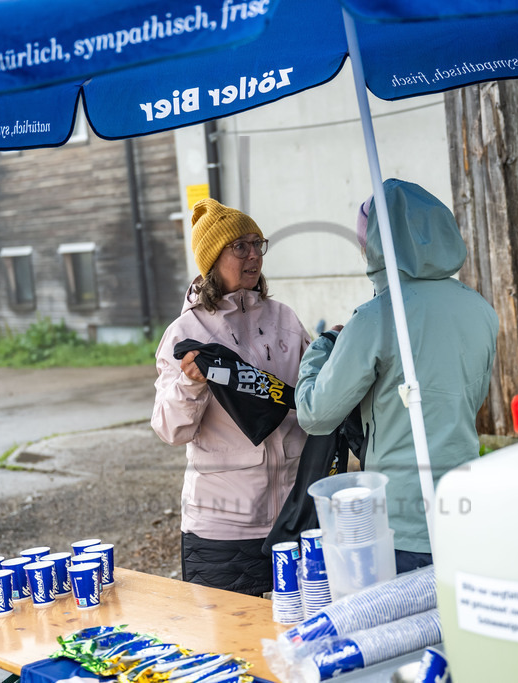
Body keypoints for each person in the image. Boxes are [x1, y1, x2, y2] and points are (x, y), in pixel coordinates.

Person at [294, 178, 498, 573]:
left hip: (400, 521)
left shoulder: (375, 319)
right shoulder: (480, 309)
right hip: (464, 507)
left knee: (404, 633)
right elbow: (470, 398)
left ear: (377, 245)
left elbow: (316, 415)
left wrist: (321, 348)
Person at [151, 198, 310, 596]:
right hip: (223, 530)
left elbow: (312, 398)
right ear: (212, 260)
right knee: (229, 649)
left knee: (297, 641)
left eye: (258, 244)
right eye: (240, 246)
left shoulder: (285, 320)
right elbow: (169, 429)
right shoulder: (187, 334)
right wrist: (191, 384)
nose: (254, 254)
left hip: (296, 519)